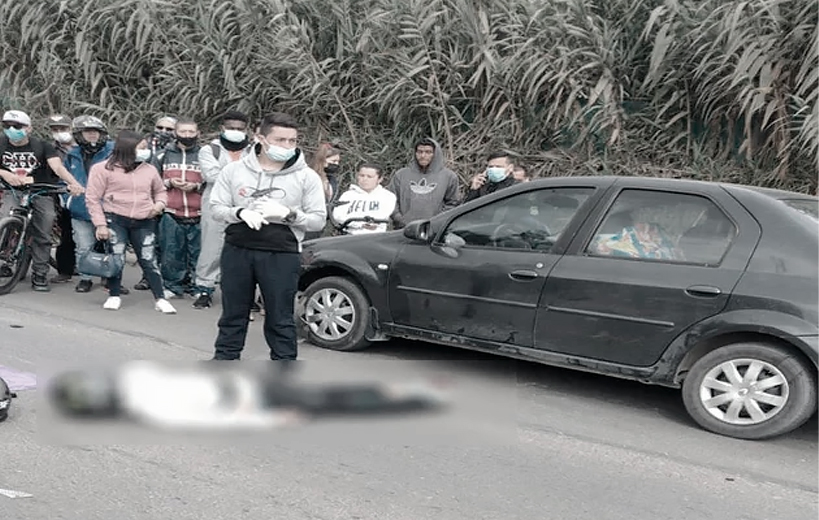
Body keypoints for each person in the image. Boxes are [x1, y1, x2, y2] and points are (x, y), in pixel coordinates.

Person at [209, 112, 326, 361]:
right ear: (260, 137)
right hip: (238, 248)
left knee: (280, 318)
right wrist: (239, 212)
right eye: (280, 140)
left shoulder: (306, 177)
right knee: (232, 315)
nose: (286, 146)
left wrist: (289, 214)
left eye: (292, 141)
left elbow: (318, 219)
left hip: (281, 253)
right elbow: (216, 208)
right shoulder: (234, 171)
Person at [85, 130, 176, 314]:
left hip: (145, 219)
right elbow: (92, 198)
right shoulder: (102, 169)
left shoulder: (149, 169)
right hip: (115, 218)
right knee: (116, 257)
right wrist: (100, 224)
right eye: (141, 147)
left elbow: (160, 191)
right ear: (127, 148)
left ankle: (160, 298)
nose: (146, 151)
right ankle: (114, 294)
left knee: (149, 258)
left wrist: (159, 205)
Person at [0, 110, 85, 291]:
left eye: (17, 126)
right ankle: (6, 257)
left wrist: (74, 184)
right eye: (7, 126)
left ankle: (40, 274)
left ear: (29, 128)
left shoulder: (42, 146)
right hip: (12, 191)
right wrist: (5, 173)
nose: (12, 129)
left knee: (43, 232)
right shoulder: (1, 143)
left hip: (41, 191)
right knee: (5, 219)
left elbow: (57, 167)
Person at [192, 110, 253, 310]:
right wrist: (243, 178)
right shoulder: (210, 150)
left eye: (239, 129)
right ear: (222, 128)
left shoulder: (254, 150)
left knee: (244, 250)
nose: (235, 132)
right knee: (211, 248)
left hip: (246, 206)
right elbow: (212, 176)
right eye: (231, 128)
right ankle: (204, 289)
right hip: (216, 204)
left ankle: (240, 293)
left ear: (247, 130)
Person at [64, 115, 116, 294]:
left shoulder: (113, 151)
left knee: (113, 246)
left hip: (109, 207)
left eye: (96, 131)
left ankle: (112, 278)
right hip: (81, 208)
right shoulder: (72, 154)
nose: (92, 135)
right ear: (79, 134)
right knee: (83, 245)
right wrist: (68, 195)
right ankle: (85, 278)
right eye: (88, 132)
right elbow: (63, 179)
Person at [155, 117, 204, 299]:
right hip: (171, 211)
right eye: (183, 131)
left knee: (198, 254)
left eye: (191, 132)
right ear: (175, 133)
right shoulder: (162, 154)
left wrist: (196, 187)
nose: (187, 135)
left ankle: (198, 287)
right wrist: (169, 182)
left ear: (198, 134)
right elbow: (150, 181)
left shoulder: (205, 155)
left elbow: (217, 181)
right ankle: (172, 286)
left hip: (199, 212)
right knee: (171, 252)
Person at [386, 137, 460, 229]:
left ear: (436, 154)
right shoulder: (401, 175)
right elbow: (390, 200)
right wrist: (399, 219)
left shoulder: (449, 176)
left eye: (428, 152)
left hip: (434, 230)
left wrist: (436, 221)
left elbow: (453, 203)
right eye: (420, 152)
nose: (423, 155)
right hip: (403, 229)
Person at [47, 114, 79, 284]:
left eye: (63, 128)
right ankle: (65, 270)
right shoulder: (49, 148)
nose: (59, 132)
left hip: (85, 191)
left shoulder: (82, 146)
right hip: (60, 193)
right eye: (55, 129)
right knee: (66, 233)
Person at [331, 163, 396, 234]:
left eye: (369, 177)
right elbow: (338, 216)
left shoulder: (388, 196)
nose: (365, 179)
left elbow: (380, 217)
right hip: (348, 237)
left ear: (380, 179)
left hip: (375, 237)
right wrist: (360, 224)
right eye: (362, 175)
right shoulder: (347, 195)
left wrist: (360, 222)